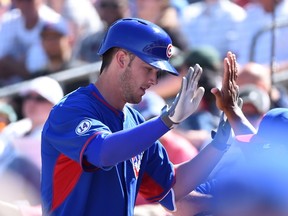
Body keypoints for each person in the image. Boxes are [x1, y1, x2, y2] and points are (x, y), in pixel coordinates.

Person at [41, 17, 247, 216]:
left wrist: (219, 143)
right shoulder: (70, 109)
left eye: (157, 72)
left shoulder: (135, 120)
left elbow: (172, 188)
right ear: (121, 59)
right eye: (148, 69)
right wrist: (167, 121)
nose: (153, 81)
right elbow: (103, 152)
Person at [0, 0, 64, 86]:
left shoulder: (54, 22)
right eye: (20, 1)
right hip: (12, 87)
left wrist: (10, 64)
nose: (25, 4)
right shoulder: (9, 21)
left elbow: (36, 71)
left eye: (29, 1)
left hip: (46, 86)